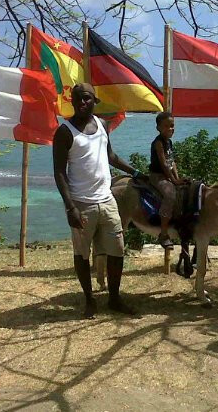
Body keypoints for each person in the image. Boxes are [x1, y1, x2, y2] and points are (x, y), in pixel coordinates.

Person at [52, 83, 145, 319]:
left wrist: (135, 172)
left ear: (95, 101)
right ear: (72, 102)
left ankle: (114, 298)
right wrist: (70, 207)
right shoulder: (65, 132)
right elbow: (59, 173)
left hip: (107, 200)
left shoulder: (103, 125)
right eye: (77, 99)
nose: (82, 102)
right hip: (81, 204)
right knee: (82, 254)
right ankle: (89, 299)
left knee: (117, 251)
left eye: (86, 98)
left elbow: (110, 156)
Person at [149, 112, 185, 249]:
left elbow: (172, 162)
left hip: (167, 175)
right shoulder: (158, 143)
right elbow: (164, 164)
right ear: (158, 128)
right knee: (169, 194)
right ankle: (163, 233)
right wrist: (173, 182)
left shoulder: (169, 142)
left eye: (172, 126)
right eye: (166, 126)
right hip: (157, 176)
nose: (170, 129)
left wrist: (177, 178)